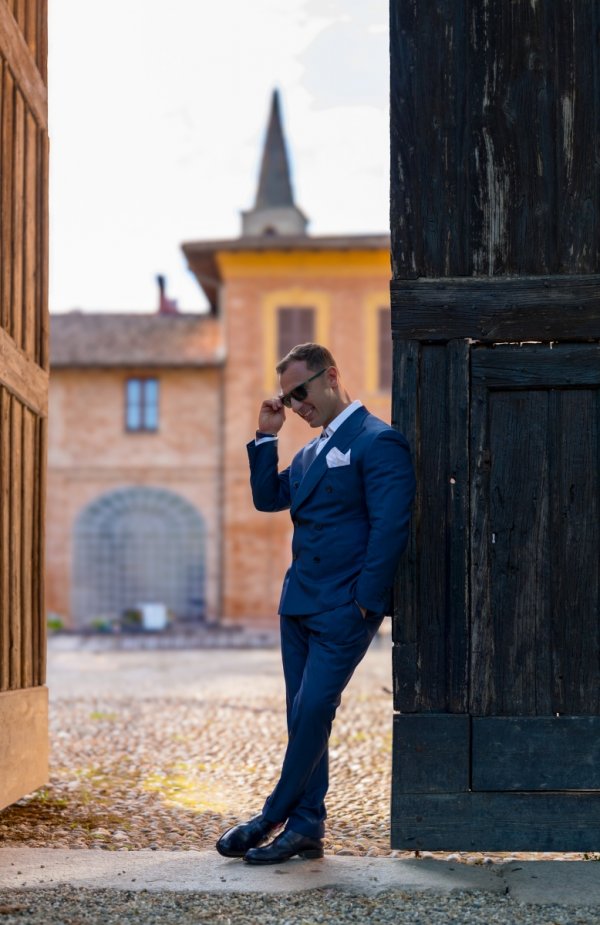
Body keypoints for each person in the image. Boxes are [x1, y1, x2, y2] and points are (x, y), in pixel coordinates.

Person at [216, 342, 415, 865]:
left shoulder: (379, 441)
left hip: (343, 609)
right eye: (287, 396)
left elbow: (390, 529)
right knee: (300, 716)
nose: (296, 404)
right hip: (298, 605)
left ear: (331, 376)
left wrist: (365, 605)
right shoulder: (308, 452)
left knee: (313, 710)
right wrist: (265, 436)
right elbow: (267, 498)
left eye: (301, 392)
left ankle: (270, 815)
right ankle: (306, 826)